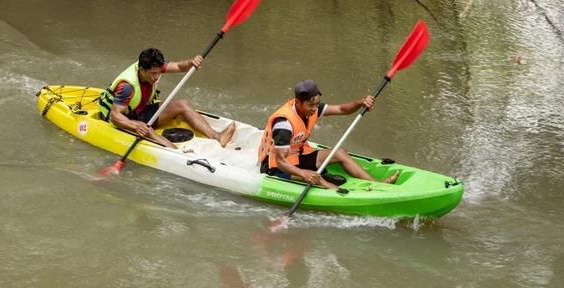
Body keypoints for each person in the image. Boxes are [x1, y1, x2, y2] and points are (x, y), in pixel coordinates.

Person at [257, 80, 400, 189]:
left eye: (317, 104)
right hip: (275, 167)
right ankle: (332, 190)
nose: (315, 109)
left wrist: (361, 103)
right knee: (318, 179)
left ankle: (377, 185)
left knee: (340, 152)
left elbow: (342, 109)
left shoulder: (313, 107)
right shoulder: (283, 124)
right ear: (298, 102)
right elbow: (281, 162)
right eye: (310, 105)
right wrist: (304, 174)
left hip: (298, 155)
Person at [96, 48, 235, 149]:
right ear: (142, 70)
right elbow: (115, 116)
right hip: (123, 119)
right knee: (147, 129)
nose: (156, 77)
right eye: (152, 74)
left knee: (183, 104)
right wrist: (136, 125)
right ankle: (177, 153)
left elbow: (180, 66)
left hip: (140, 111)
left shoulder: (154, 67)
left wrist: (191, 62)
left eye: (158, 72)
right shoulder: (127, 87)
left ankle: (217, 137)